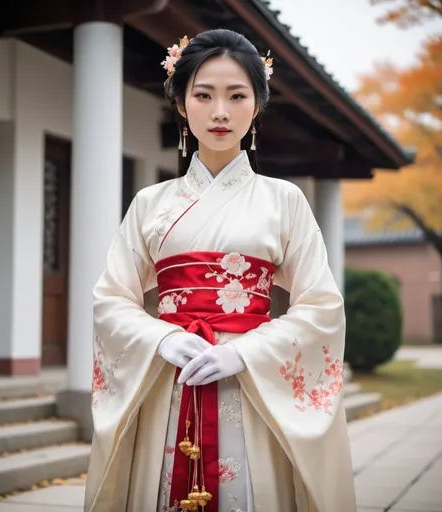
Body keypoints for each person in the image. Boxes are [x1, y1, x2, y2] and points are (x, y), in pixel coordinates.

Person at [84, 28, 357, 512]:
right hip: (172, 372)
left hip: (250, 381)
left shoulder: (285, 200)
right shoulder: (151, 204)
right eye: (203, 95)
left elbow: (321, 304)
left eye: (237, 95)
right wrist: (161, 339)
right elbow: (112, 298)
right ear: (181, 103)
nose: (220, 112)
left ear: (257, 106)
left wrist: (247, 351)